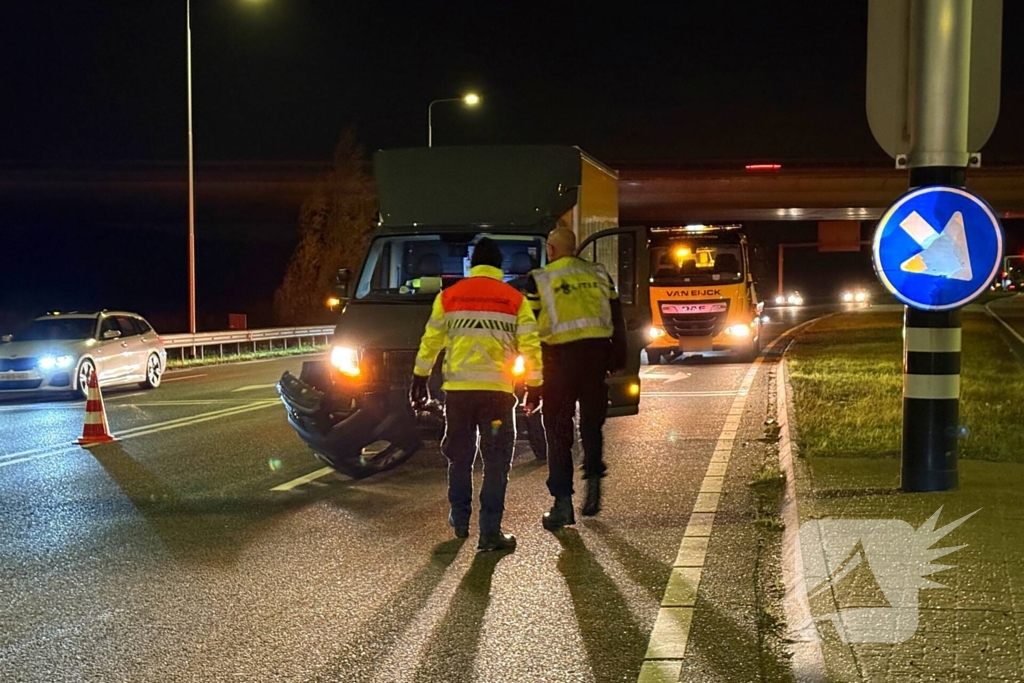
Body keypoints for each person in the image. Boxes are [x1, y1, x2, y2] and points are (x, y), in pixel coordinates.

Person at [410, 237, 543, 552]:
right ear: (499, 266)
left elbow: (431, 340)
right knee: (496, 461)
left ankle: (459, 517)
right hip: (497, 393)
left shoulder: (449, 297)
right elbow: (531, 347)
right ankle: (490, 532)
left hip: (458, 394)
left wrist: (419, 377)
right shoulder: (514, 299)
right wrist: (535, 386)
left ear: (473, 265)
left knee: (459, 457)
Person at [525, 227, 626, 530]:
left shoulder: (540, 278)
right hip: (596, 358)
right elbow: (617, 316)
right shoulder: (598, 274)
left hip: (558, 361)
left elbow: (530, 329)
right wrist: (618, 358)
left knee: (558, 432)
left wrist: (533, 379)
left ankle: (562, 504)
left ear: (551, 249)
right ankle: (593, 483)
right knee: (592, 424)